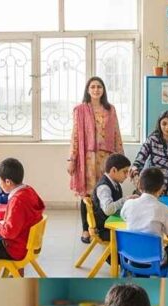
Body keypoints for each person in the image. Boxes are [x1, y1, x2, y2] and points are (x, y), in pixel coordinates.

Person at [69, 76, 124, 244]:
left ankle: (106, 226)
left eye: (99, 87)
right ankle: (86, 229)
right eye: (92, 87)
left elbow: (116, 133)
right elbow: (75, 136)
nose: (96, 89)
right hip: (87, 159)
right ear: (88, 90)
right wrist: (72, 158)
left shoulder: (110, 109)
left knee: (106, 192)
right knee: (88, 194)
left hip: (106, 159)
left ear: (103, 90)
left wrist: (120, 158)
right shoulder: (80, 110)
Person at [0, 158, 45, 277]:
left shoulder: (17, 200)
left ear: (8, 182)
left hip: (16, 249)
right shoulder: (28, 190)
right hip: (27, 244)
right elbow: (18, 213)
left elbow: (9, 232)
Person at [120, 167, 168, 269]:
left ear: (139, 185)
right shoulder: (163, 209)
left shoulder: (129, 204)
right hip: (154, 261)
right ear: (161, 188)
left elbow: (124, 217)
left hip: (130, 256)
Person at [131, 110, 168, 196]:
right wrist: (135, 171)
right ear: (159, 124)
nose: (167, 127)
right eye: (164, 124)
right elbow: (141, 157)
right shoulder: (152, 139)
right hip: (155, 187)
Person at [91, 153, 136, 242]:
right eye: (125, 171)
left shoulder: (115, 183)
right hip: (105, 229)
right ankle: (118, 255)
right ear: (114, 170)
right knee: (135, 234)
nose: (127, 175)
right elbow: (108, 209)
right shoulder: (104, 187)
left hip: (111, 224)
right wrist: (126, 199)